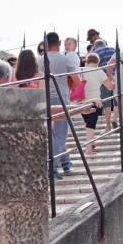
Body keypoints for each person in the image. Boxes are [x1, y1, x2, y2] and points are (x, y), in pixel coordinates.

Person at [43, 32, 80, 177]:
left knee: (52, 136)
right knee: (60, 135)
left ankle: (65, 163)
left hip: (44, 99)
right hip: (61, 98)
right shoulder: (65, 59)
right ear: (59, 43)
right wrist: (68, 88)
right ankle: (51, 167)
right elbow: (76, 80)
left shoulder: (40, 60)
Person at [80, 53, 109, 155]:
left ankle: (91, 142)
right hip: (94, 101)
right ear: (98, 62)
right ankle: (88, 149)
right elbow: (110, 87)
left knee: (88, 123)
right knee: (91, 125)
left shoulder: (80, 70)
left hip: (80, 101)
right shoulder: (99, 71)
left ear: (86, 61)